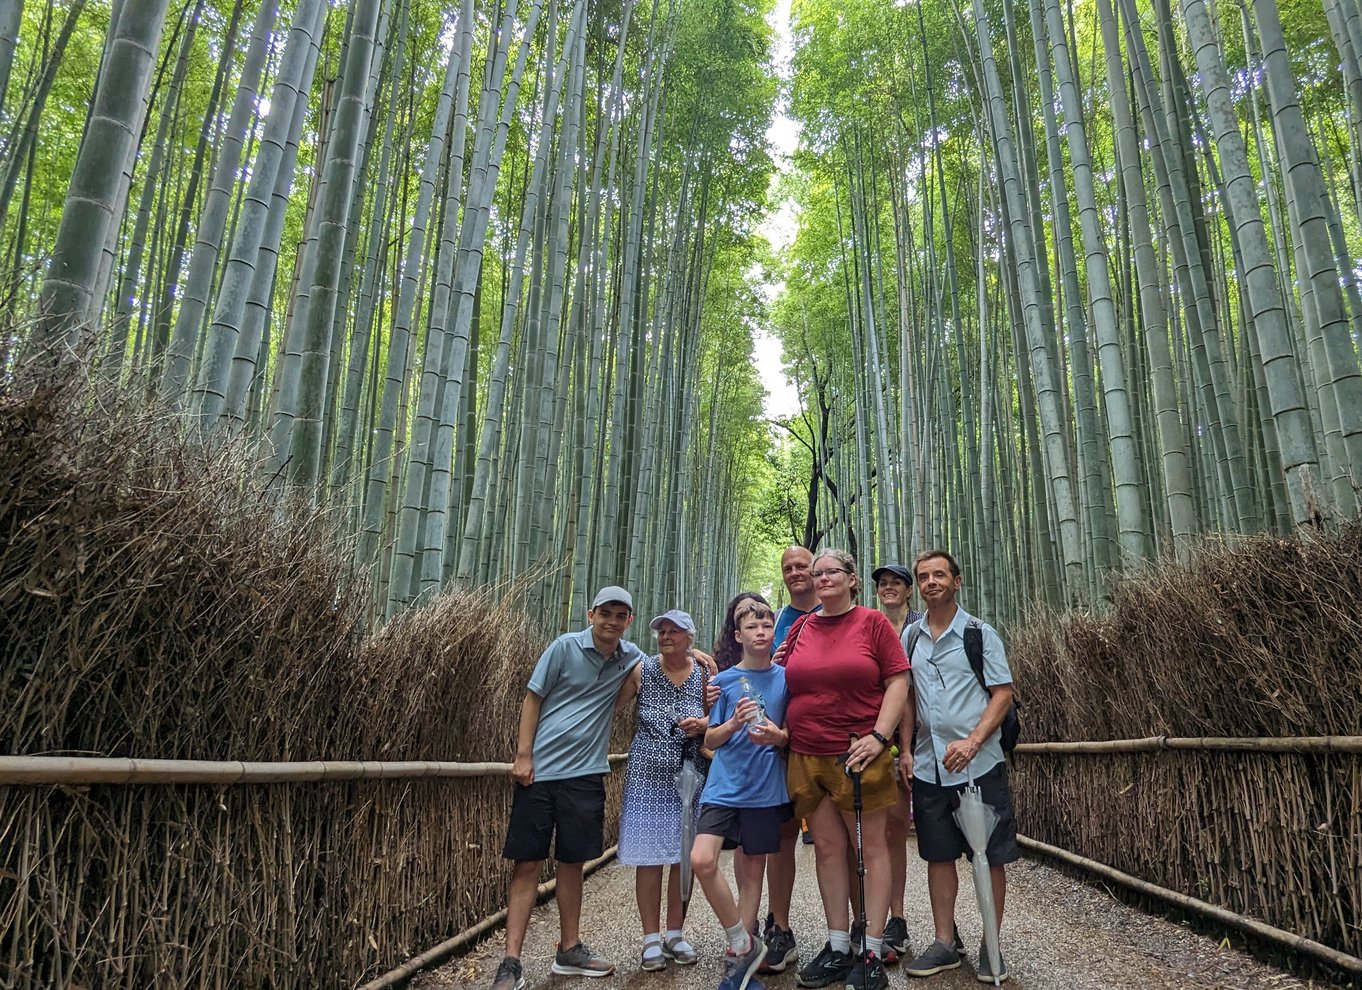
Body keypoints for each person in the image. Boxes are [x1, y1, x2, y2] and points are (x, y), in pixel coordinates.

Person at [490, 587, 646, 990]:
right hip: (540, 774)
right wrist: (524, 755)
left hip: (586, 776)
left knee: (572, 863)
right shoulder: (563, 647)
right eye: (605, 613)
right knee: (526, 863)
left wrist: (696, 654)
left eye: (620, 615)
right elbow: (532, 698)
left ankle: (570, 949)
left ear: (629, 621)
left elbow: (662, 666)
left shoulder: (630, 657)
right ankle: (510, 961)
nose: (612, 621)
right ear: (591, 613)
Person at [783, 549, 909, 990]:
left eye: (831, 571)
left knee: (872, 850)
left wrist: (880, 737)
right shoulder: (802, 626)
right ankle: (838, 945)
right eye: (816, 573)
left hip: (858, 752)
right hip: (805, 753)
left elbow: (898, 680)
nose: (821, 578)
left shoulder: (872, 623)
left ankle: (871, 949)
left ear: (852, 579)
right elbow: (777, 675)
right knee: (828, 849)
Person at [900, 550, 1018, 985]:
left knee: (989, 855)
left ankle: (991, 941)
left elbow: (1002, 693)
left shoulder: (978, 633)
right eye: (924, 577)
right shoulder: (910, 637)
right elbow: (908, 696)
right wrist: (907, 747)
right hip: (930, 765)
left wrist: (972, 741)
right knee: (938, 854)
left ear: (957, 581)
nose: (931, 582)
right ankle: (945, 941)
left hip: (979, 764)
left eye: (939, 575)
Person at [691, 599, 791, 990]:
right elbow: (710, 738)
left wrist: (778, 736)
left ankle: (741, 969)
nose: (761, 631)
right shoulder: (723, 681)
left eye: (766, 625)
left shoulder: (786, 678)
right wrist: (732, 722)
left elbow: (789, 731)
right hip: (724, 786)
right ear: (739, 635)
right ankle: (741, 941)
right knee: (702, 859)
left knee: (753, 871)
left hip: (765, 788)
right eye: (752, 627)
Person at [617, 609, 711, 971]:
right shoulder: (643, 669)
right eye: (662, 631)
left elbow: (716, 718)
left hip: (689, 776)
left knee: (682, 854)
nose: (666, 636)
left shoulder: (704, 672)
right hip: (646, 775)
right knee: (649, 855)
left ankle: (675, 932)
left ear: (690, 637)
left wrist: (702, 723)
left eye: (675, 631)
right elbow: (612, 704)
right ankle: (650, 939)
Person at [871, 563, 925, 965]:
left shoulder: (925, 625)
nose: (889, 589)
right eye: (883, 584)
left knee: (912, 830)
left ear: (910, 591)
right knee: (881, 832)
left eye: (896, 584)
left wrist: (906, 745)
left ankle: (930, 923)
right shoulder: (869, 625)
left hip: (924, 737)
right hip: (878, 738)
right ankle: (886, 919)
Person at [713, 591, 772, 672]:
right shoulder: (720, 659)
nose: (747, 613)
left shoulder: (776, 657)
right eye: (741, 610)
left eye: (752, 608)